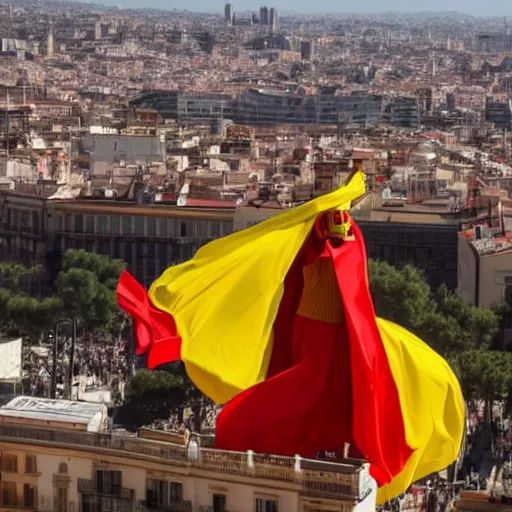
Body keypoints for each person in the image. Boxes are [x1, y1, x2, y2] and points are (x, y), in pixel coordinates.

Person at [117, 170, 465, 504]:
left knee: (252, 419)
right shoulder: (321, 243)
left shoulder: (339, 247)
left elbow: (347, 293)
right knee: (300, 409)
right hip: (309, 332)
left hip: (323, 340)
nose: (340, 223)